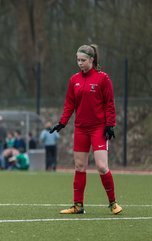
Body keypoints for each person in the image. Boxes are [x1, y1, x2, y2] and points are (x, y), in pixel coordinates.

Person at [50, 44, 122, 215]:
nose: (80, 63)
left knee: (102, 166)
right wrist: (62, 122)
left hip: (98, 128)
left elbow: (109, 104)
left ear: (92, 59)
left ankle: (113, 203)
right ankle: (78, 205)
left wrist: (110, 124)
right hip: (80, 129)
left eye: (83, 60)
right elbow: (69, 104)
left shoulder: (103, 78)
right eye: (78, 60)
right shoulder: (73, 80)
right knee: (79, 166)